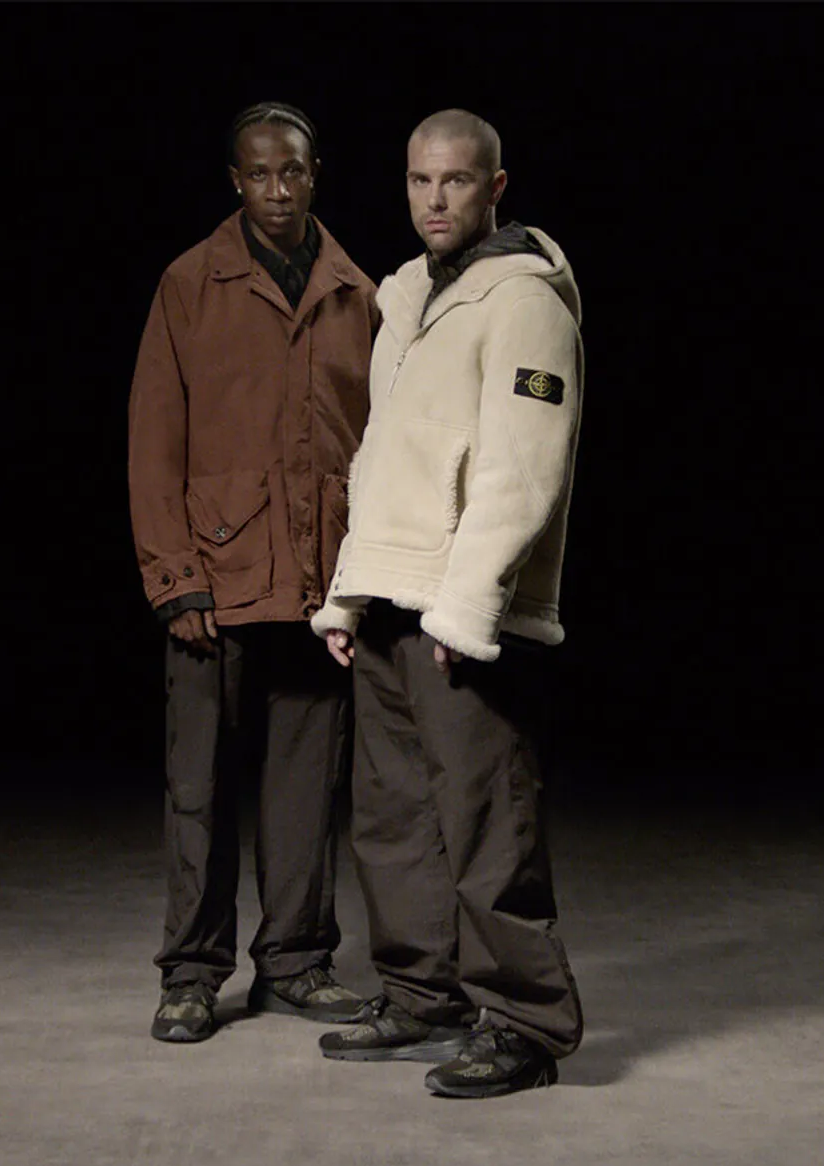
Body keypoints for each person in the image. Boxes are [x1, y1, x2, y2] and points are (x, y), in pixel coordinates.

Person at [310, 109, 585, 1098]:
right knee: (393, 821)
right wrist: (346, 595)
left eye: (457, 180)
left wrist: (467, 612)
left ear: (494, 187)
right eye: (420, 180)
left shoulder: (526, 302)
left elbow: (522, 472)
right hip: (390, 598)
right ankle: (422, 993)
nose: (435, 199)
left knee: (485, 821)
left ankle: (526, 1022)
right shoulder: (408, 297)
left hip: (458, 614)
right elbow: (381, 458)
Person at [128, 102, 378, 1043]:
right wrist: (174, 577)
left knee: (306, 791)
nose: (278, 189)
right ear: (235, 181)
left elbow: (378, 443)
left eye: (293, 171)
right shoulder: (190, 283)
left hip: (319, 585)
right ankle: (192, 973)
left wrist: (361, 577)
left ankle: (297, 962)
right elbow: (153, 440)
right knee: (199, 787)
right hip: (216, 581)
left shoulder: (357, 291)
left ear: (316, 174)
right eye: (260, 173)